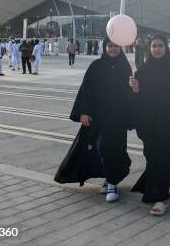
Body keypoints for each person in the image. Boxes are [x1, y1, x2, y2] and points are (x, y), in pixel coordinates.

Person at [55, 37, 133, 202]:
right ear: (104, 47)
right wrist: (83, 112)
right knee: (98, 148)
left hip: (117, 117)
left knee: (113, 148)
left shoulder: (125, 67)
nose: (113, 49)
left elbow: (129, 94)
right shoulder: (96, 66)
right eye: (110, 46)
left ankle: (112, 183)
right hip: (97, 116)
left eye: (116, 46)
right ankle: (109, 178)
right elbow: (86, 90)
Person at [129, 35, 170, 215]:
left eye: (160, 46)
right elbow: (135, 100)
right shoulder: (142, 71)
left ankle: (157, 190)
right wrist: (136, 90)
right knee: (153, 157)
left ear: (166, 48)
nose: (157, 49)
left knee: (169, 157)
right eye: (154, 46)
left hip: (168, 121)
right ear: (149, 49)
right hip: (148, 122)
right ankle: (160, 196)